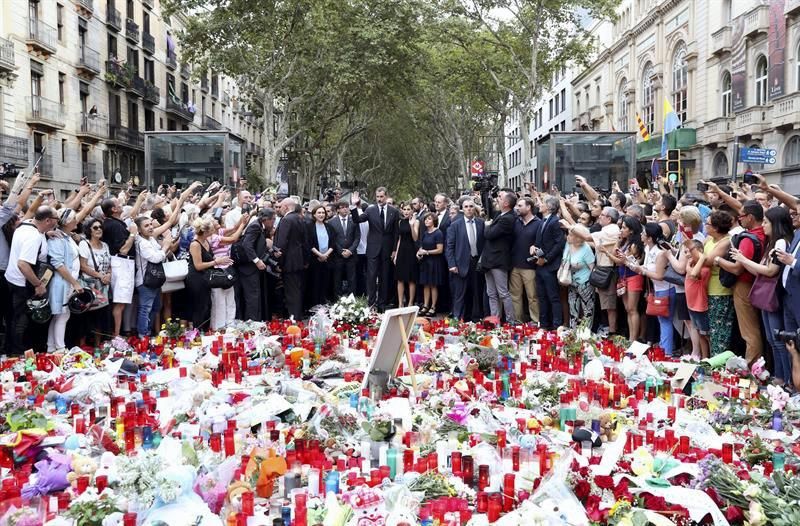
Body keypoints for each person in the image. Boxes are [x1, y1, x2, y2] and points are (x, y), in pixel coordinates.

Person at [731, 206, 793, 384]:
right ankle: (780, 376)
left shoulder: (781, 242)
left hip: (773, 296)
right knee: (772, 340)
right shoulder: (772, 243)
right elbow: (761, 270)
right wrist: (744, 260)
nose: (763, 225)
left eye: (766, 222)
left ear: (776, 224)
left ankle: (784, 378)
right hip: (767, 296)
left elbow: (770, 271)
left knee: (777, 340)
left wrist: (743, 260)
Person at [716, 200, 766, 363]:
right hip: (756, 285)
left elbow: (738, 268)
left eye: (742, 216)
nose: (739, 219)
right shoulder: (763, 233)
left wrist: (719, 260)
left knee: (749, 330)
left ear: (750, 217)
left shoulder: (748, 239)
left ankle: (752, 366)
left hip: (745, 286)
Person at [5, 206, 56, 354]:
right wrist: (38, 284)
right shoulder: (33, 237)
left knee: (16, 319)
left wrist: (47, 235)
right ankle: (17, 353)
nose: (56, 223)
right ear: (47, 220)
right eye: (55, 220)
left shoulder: (26, 224)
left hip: (13, 279)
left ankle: (17, 350)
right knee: (21, 321)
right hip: (23, 284)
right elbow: (23, 264)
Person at [350, 188, 399, 310]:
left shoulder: (394, 211)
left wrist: (394, 250)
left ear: (386, 196)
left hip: (387, 249)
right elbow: (357, 219)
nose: (379, 199)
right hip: (373, 249)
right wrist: (353, 206)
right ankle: (371, 303)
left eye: (382, 196)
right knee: (371, 277)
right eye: (377, 196)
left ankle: (382, 304)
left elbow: (396, 233)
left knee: (384, 277)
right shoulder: (370, 210)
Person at [632, 223, 675, 356]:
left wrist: (642, 271)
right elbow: (644, 268)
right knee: (661, 320)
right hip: (655, 288)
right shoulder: (647, 249)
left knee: (665, 321)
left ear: (650, 238)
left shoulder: (660, 253)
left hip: (666, 289)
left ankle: (666, 352)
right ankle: (663, 348)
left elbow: (660, 275)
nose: (641, 235)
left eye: (643, 233)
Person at [46, 208, 84, 352]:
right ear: (67, 222)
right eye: (74, 219)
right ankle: (60, 348)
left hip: (68, 281)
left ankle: (51, 347)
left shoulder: (66, 236)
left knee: (60, 315)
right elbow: (58, 264)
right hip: (62, 282)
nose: (76, 221)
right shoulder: (58, 238)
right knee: (62, 315)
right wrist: (74, 282)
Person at [102, 198, 138, 336]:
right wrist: (133, 234)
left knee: (120, 302)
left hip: (120, 263)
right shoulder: (115, 226)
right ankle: (116, 336)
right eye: (119, 204)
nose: (121, 205)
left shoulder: (114, 223)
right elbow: (123, 249)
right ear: (113, 209)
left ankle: (116, 334)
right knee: (120, 302)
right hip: (122, 263)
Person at [482, 191, 517, 323]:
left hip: (499, 260)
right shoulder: (500, 214)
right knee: (491, 293)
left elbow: (489, 234)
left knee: (503, 293)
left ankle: (510, 321)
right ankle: (494, 320)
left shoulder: (508, 218)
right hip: (489, 260)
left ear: (506, 203)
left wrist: (487, 226)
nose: (498, 199)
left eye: (500, 198)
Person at [584, 207, 620, 334]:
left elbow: (587, 236)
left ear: (609, 218)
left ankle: (612, 332)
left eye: (602, 215)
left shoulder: (612, 229)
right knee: (605, 304)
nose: (599, 216)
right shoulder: (607, 229)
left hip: (608, 269)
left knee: (610, 305)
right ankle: (608, 329)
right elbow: (598, 245)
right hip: (603, 268)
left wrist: (569, 226)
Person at [703, 210, 734, 356]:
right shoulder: (709, 240)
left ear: (715, 228)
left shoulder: (726, 241)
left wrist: (691, 248)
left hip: (720, 291)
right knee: (709, 329)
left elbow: (707, 261)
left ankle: (719, 364)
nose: (705, 225)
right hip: (707, 288)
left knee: (720, 330)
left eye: (707, 224)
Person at [531, 197, 566, 330]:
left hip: (550, 266)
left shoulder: (555, 221)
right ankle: (544, 324)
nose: (539, 205)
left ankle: (556, 325)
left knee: (553, 297)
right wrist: (534, 246)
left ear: (549, 207)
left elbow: (559, 244)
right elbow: (540, 241)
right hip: (539, 264)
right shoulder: (542, 221)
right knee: (542, 296)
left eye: (542, 203)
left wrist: (546, 259)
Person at [209, 212, 248, 330]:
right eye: (214, 220)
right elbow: (233, 238)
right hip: (218, 271)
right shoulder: (213, 237)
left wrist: (242, 220)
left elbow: (234, 228)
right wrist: (243, 224)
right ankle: (218, 328)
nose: (217, 220)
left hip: (227, 270)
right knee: (219, 302)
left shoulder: (219, 232)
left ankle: (230, 324)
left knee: (230, 299)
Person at [134, 216, 170, 338]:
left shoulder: (150, 239)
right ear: (139, 229)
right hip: (145, 280)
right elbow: (156, 258)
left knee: (156, 307)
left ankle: (147, 333)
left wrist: (164, 246)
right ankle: (143, 335)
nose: (150, 227)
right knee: (146, 309)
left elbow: (159, 252)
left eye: (150, 224)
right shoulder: (141, 242)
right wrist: (165, 246)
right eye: (146, 225)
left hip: (154, 280)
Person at [77, 217, 112, 346]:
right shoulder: (84, 244)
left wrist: (108, 274)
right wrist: (100, 275)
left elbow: (109, 263)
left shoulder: (106, 245)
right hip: (89, 284)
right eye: (95, 227)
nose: (99, 230)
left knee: (100, 316)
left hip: (103, 286)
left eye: (100, 227)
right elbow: (83, 265)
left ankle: (97, 346)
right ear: (89, 230)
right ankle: (82, 345)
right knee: (86, 317)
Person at [609, 216, 644, 340]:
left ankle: (633, 338)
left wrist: (605, 251)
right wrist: (618, 242)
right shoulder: (625, 242)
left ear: (631, 230)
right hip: (623, 277)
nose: (621, 230)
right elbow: (615, 255)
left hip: (633, 277)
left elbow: (619, 261)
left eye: (624, 228)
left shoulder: (634, 245)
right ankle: (631, 337)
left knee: (632, 308)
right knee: (627, 309)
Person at [236, 208, 273, 321]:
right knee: (252, 296)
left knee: (255, 296)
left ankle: (255, 320)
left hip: (251, 268)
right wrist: (257, 261)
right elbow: (247, 244)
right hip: (248, 268)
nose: (273, 222)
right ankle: (252, 323)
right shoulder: (255, 226)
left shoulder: (259, 227)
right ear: (266, 219)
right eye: (273, 220)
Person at [274, 198, 307, 320]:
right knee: (297, 290)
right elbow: (305, 242)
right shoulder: (300, 218)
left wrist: (278, 262)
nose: (279, 209)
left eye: (281, 206)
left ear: (286, 207)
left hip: (289, 261)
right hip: (298, 261)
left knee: (291, 292)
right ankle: (296, 316)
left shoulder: (286, 220)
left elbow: (281, 243)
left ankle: (294, 318)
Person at [509, 197, 540, 323]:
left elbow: (541, 243)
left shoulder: (538, 223)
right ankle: (517, 320)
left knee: (532, 296)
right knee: (515, 295)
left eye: (520, 205)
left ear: (529, 207)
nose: (517, 207)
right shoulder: (516, 222)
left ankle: (535, 320)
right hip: (515, 265)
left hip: (530, 266)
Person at [563, 224, 595, 327]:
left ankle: (586, 332)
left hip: (585, 283)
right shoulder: (568, 245)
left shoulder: (586, 249)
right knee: (573, 307)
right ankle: (573, 330)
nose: (568, 237)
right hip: (571, 282)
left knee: (587, 309)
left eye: (571, 235)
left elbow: (592, 268)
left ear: (578, 237)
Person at [684, 239, 711, 359]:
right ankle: (704, 358)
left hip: (700, 306)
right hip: (692, 305)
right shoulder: (693, 265)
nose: (688, 254)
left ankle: (711, 358)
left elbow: (694, 274)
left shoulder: (703, 269)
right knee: (700, 334)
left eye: (691, 251)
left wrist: (702, 258)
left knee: (706, 335)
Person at [306, 204, 336, 307]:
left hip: (327, 259)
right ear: (314, 214)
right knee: (314, 283)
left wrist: (326, 255)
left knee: (325, 283)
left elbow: (333, 243)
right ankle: (314, 305)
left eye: (323, 213)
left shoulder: (329, 227)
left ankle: (323, 304)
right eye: (319, 213)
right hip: (315, 259)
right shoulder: (309, 226)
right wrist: (319, 255)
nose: (321, 215)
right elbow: (309, 243)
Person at [417, 213, 445, 315]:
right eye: (425, 219)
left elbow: (440, 250)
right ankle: (425, 305)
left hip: (434, 262)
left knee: (433, 285)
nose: (426, 221)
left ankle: (433, 306)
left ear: (434, 221)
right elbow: (422, 245)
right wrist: (419, 252)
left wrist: (427, 252)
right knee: (425, 285)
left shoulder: (438, 233)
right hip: (425, 261)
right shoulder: (425, 233)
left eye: (429, 219)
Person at [331, 201, 360, 297]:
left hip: (351, 255)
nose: (345, 209)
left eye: (347, 207)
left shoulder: (354, 221)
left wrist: (350, 250)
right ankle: (337, 300)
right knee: (337, 279)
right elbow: (332, 239)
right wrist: (340, 251)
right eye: (342, 207)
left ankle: (352, 300)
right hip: (338, 255)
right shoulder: (332, 222)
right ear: (338, 209)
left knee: (352, 279)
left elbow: (357, 238)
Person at [394, 203, 419, 308]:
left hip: (411, 252)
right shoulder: (400, 222)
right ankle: (400, 303)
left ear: (412, 211)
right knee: (400, 278)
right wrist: (396, 254)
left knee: (411, 279)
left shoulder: (416, 221)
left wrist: (412, 225)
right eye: (404, 209)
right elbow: (399, 239)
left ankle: (410, 303)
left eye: (408, 209)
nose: (406, 211)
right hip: (401, 252)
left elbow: (415, 238)